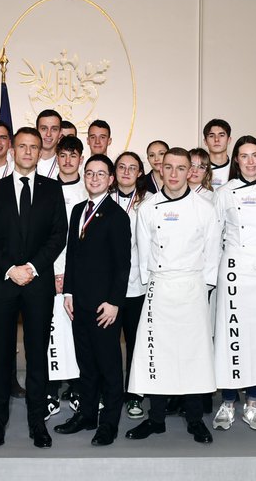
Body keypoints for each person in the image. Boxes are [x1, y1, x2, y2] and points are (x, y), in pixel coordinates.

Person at [0, 127, 68, 449]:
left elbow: (59, 235)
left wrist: (30, 268)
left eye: (33, 147)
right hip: (3, 284)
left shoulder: (52, 189)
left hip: (37, 284)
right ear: (13, 151)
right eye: (22, 146)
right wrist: (9, 269)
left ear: (40, 151)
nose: (28, 152)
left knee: (37, 355)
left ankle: (36, 422)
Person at [125, 147, 221, 444]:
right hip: (160, 287)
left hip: (192, 288)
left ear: (190, 171)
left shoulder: (205, 208)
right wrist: (148, 284)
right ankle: (156, 419)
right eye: (169, 167)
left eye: (182, 168)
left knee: (193, 356)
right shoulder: (148, 208)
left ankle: (195, 420)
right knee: (156, 354)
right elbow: (141, 251)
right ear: (161, 169)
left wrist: (204, 288)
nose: (176, 174)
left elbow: (212, 251)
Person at [53, 154, 131, 446]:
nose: (95, 178)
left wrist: (114, 302)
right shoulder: (76, 211)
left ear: (111, 180)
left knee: (109, 366)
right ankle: (87, 415)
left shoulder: (117, 216)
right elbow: (72, 254)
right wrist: (68, 292)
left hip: (104, 308)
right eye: (90, 174)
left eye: (101, 174)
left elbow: (124, 264)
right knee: (85, 363)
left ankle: (109, 423)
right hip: (79, 303)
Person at [212, 136, 256, 432]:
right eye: (244, 156)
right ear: (236, 160)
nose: (251, 161)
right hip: (233, 269)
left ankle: (253, 402)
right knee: (232, 334)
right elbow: (214, 236)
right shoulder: (225, 192)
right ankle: (228, 401)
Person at [49, 136, 87, 416]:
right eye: (63, 155)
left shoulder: (90, 191)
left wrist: (71, 276)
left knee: (77, 335)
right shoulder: (45, 189)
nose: (68, 160)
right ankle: (50, 391)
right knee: (50, 335)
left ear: (81, 159)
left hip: (77, 276)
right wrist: (52, 273)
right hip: (49, 275)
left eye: (73, 155)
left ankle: (77, 388)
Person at [110, 151, 148, 420]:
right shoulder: (103, 200)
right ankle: (110, 393)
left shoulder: (149, 203)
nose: (126, 172)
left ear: (140, 174)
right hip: (108, 287)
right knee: (108, 343)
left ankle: (134, 395)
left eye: (131, 168)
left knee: (136, 342)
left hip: (137, 286)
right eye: (121, 167)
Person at [203, 119, 232, 189]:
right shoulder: (198, 170)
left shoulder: (237, 169)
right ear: (205, 141)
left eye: (221, 135)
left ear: (229, 140)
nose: (216, 139)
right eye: (211, 136)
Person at [34, 110, 63, 180]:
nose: (48, 134)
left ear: (60, 133)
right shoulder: (21, 161)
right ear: (36, 131)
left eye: (54, 129)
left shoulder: (67, 164)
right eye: (44, 129)